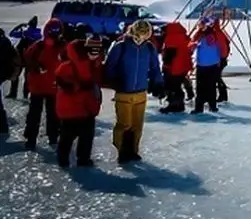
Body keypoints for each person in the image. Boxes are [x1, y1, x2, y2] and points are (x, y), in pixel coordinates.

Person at [103, 20, 165, 164]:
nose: (142, 38)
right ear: (133, 31)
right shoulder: (121, 46)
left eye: (145, 35)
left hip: (141, 92)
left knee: (137, 125)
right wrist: (114, 80)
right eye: (140, 34)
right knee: (124, 124)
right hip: (124, 92)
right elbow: (109, 67)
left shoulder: (149, 48)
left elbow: (155, 67)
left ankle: (133, 151)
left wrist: (158, 84)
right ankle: (122, 150)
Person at [54, 36, 104, 168]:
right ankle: (63, 160)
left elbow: (98, 81)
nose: (94, 54)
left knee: (86, 136)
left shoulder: (96, 65)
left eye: (97, 51)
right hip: (70, 107)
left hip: (87, 107)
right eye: (92, 51)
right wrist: (79, 86)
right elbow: (61, 80)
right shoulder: (68, 65)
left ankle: (83, 159)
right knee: (67, 136)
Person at [23, 17, 66, 151]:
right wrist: (37, 67)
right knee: (38, 113)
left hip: (51, 87)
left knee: (51, 113)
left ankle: (50, 137)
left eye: (56, 31)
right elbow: (27, 60)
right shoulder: (39, 46)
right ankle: (33, 138)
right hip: (40, 86)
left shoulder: (62, 46)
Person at [190, 17, 224, 114]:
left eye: (201, 24)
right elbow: (192, 45)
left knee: (210, 87)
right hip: (203, 64)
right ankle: (201, 107)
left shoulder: (212, 34)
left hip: (210, 65)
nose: (199, 26)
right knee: (202, 87)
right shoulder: (200, 34)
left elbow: (211, 42)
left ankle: (211, 106)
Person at [159, 21, 193, 114]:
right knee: (178, 86)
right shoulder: (184, 37)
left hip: (174, 67)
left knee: (173, 86)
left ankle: (175, 105)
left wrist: (165, 67)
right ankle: (178, 104)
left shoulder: (171, 39)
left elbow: (168, 57)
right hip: (183, 66)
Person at [8, 16, 40, 100]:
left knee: (16, 75)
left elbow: (11, 33)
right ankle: (25, 94)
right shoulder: (38, 33)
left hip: (22, 58)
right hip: (30, 58)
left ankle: (13, 93)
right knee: (27, 77)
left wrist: (20, 26)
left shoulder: (24, 32)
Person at [0, 27, 15, 134]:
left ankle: (3, 126)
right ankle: (3, 126)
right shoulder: (5, 40)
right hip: (3, 72)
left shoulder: (4, 41)